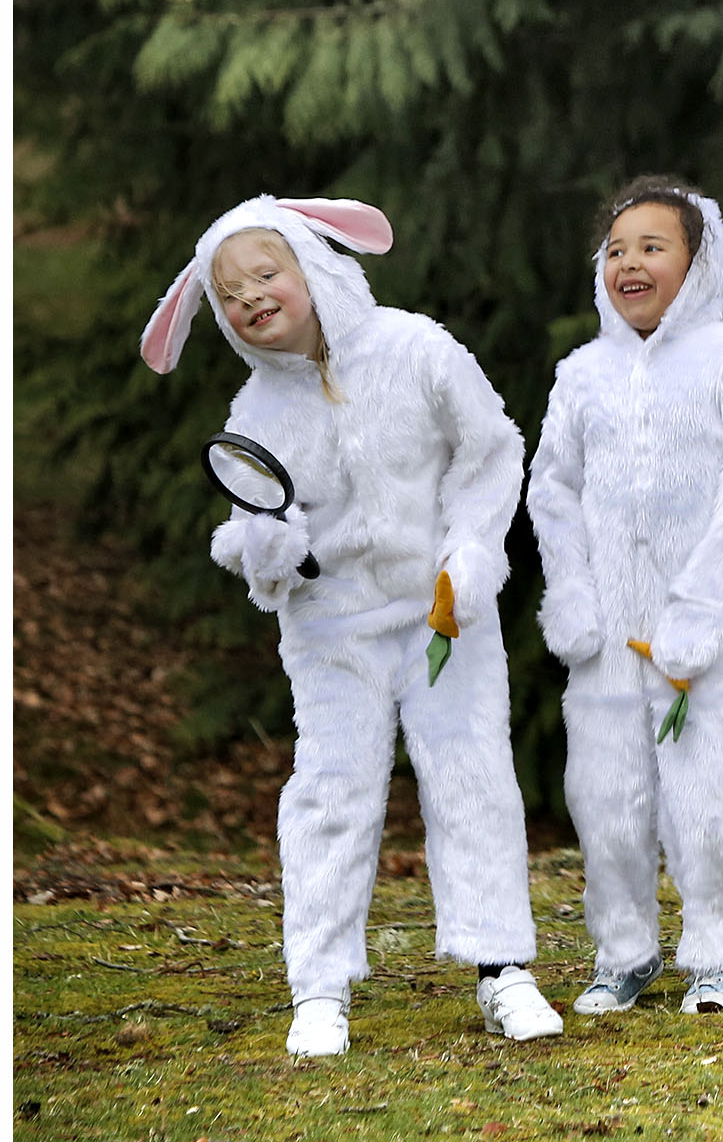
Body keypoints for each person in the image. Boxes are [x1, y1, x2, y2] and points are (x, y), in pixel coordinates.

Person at [139, 196, 559, 1056]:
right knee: (332, 791)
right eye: (230, 294)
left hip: (442, 615)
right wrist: (265, 550)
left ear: (313, 265)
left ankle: (502, 970)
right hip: (332, 632)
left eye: (266, 272)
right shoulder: (254, 412)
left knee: (471, 775)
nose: (252, 296)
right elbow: (257, 536)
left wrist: (470, 557)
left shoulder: (417, 348)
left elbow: (491, 451)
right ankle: (319, 988)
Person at [526, 177, 723, 1015]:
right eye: (616, 250)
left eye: (653, 247)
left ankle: (715, 953)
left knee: (710, 800)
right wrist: (570, 595)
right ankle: (623, 952)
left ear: (699, 262)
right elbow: (553, 489)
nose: (630, 263)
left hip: (708, 640)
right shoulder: (581, 376)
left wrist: (704, 611)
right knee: (604, 802)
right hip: (606, 636)